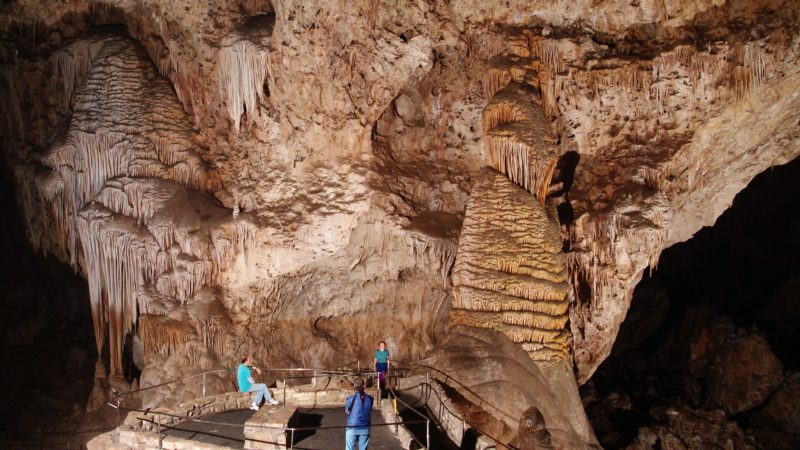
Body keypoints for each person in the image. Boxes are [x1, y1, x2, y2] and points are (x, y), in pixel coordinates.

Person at [345, 377, 373, 450]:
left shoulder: (350, 399)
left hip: (352, 426)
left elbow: (347, 412)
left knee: (350, 448)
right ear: (364, 386)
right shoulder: (371, 399)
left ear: (354, 386)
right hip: (365, 427)